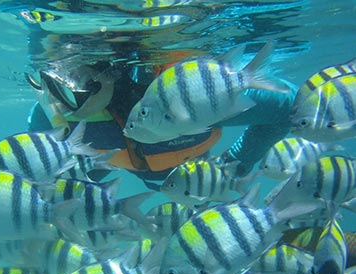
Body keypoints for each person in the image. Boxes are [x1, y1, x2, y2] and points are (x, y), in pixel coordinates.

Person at [26, 59, 296, 189]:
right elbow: (39, 176)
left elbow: (291, 107)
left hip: (195, 178)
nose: (59, 99)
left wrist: (240, 159)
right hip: (118, 166)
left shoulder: (193, 101)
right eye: (51, 82)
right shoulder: (50, 120)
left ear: (110, 73)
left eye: (74, 85)